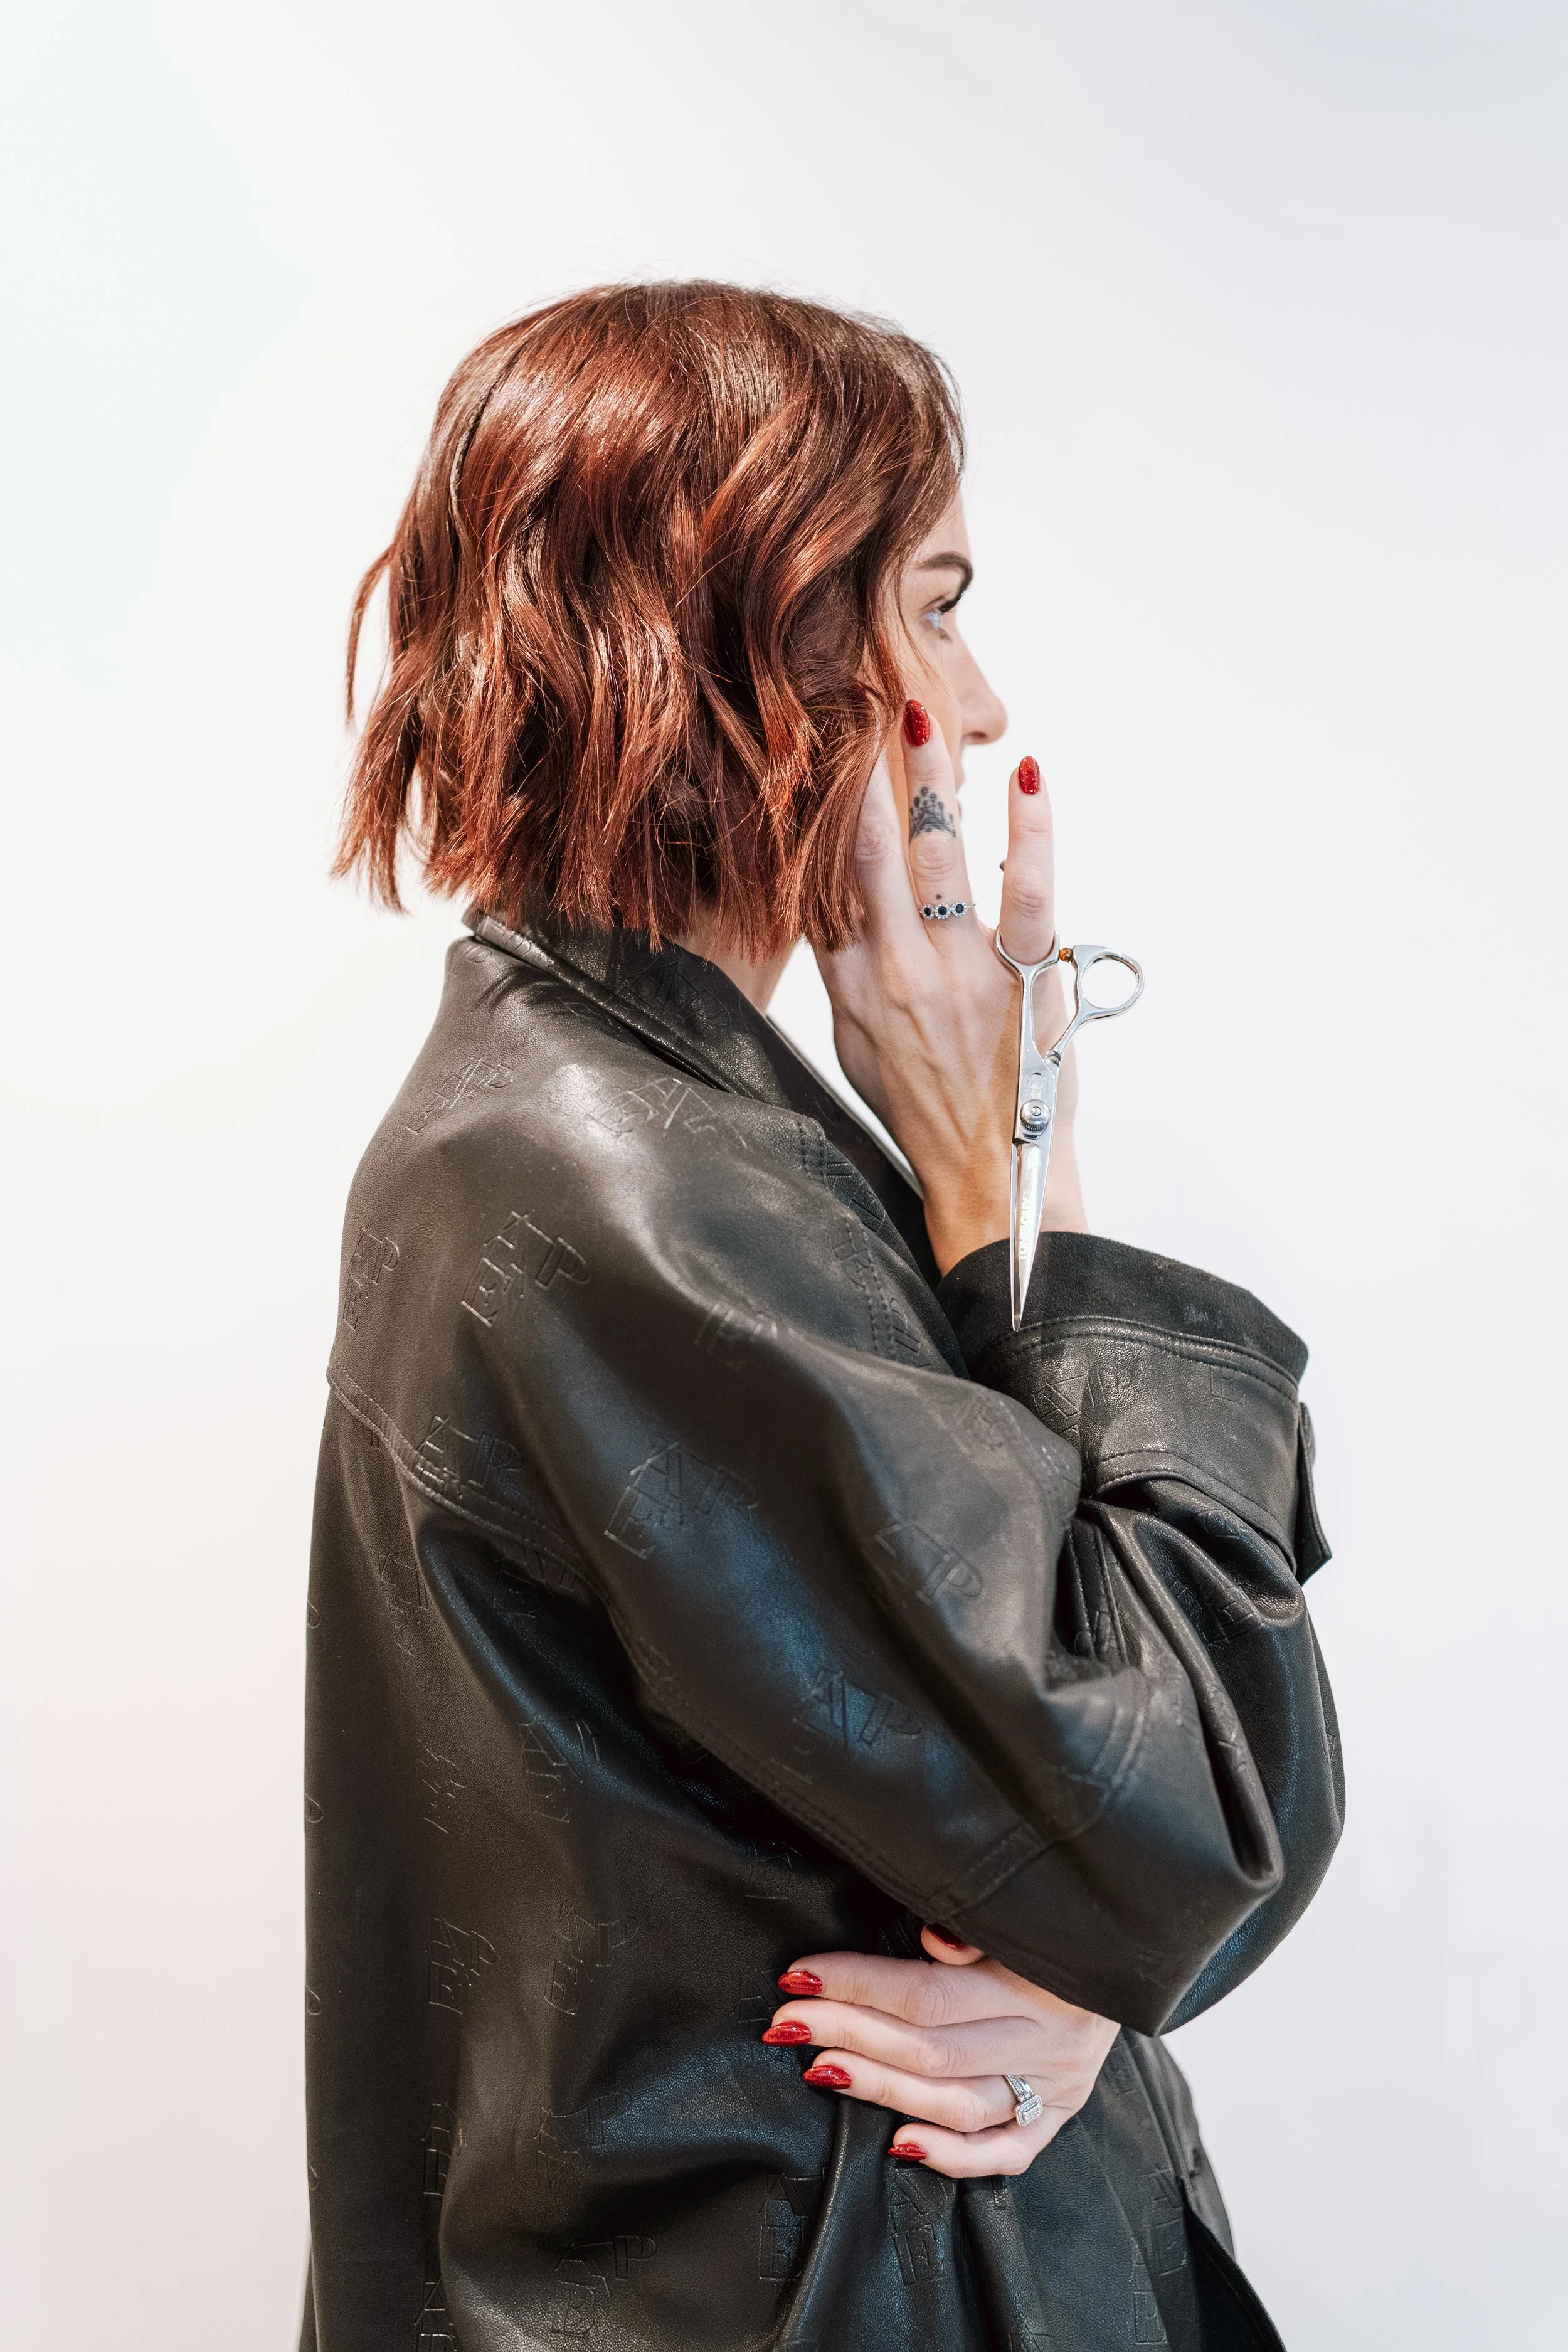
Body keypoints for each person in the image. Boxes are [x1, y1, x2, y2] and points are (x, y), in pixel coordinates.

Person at [302, 281, 1341, 2352]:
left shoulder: (657, 1117)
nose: (971, 701)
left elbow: (1074, 1809)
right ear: (753, 645)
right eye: (930, 603)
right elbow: (1188, 1814)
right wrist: (1000, 1170)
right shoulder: (631, 1181)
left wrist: (1069, 1986)